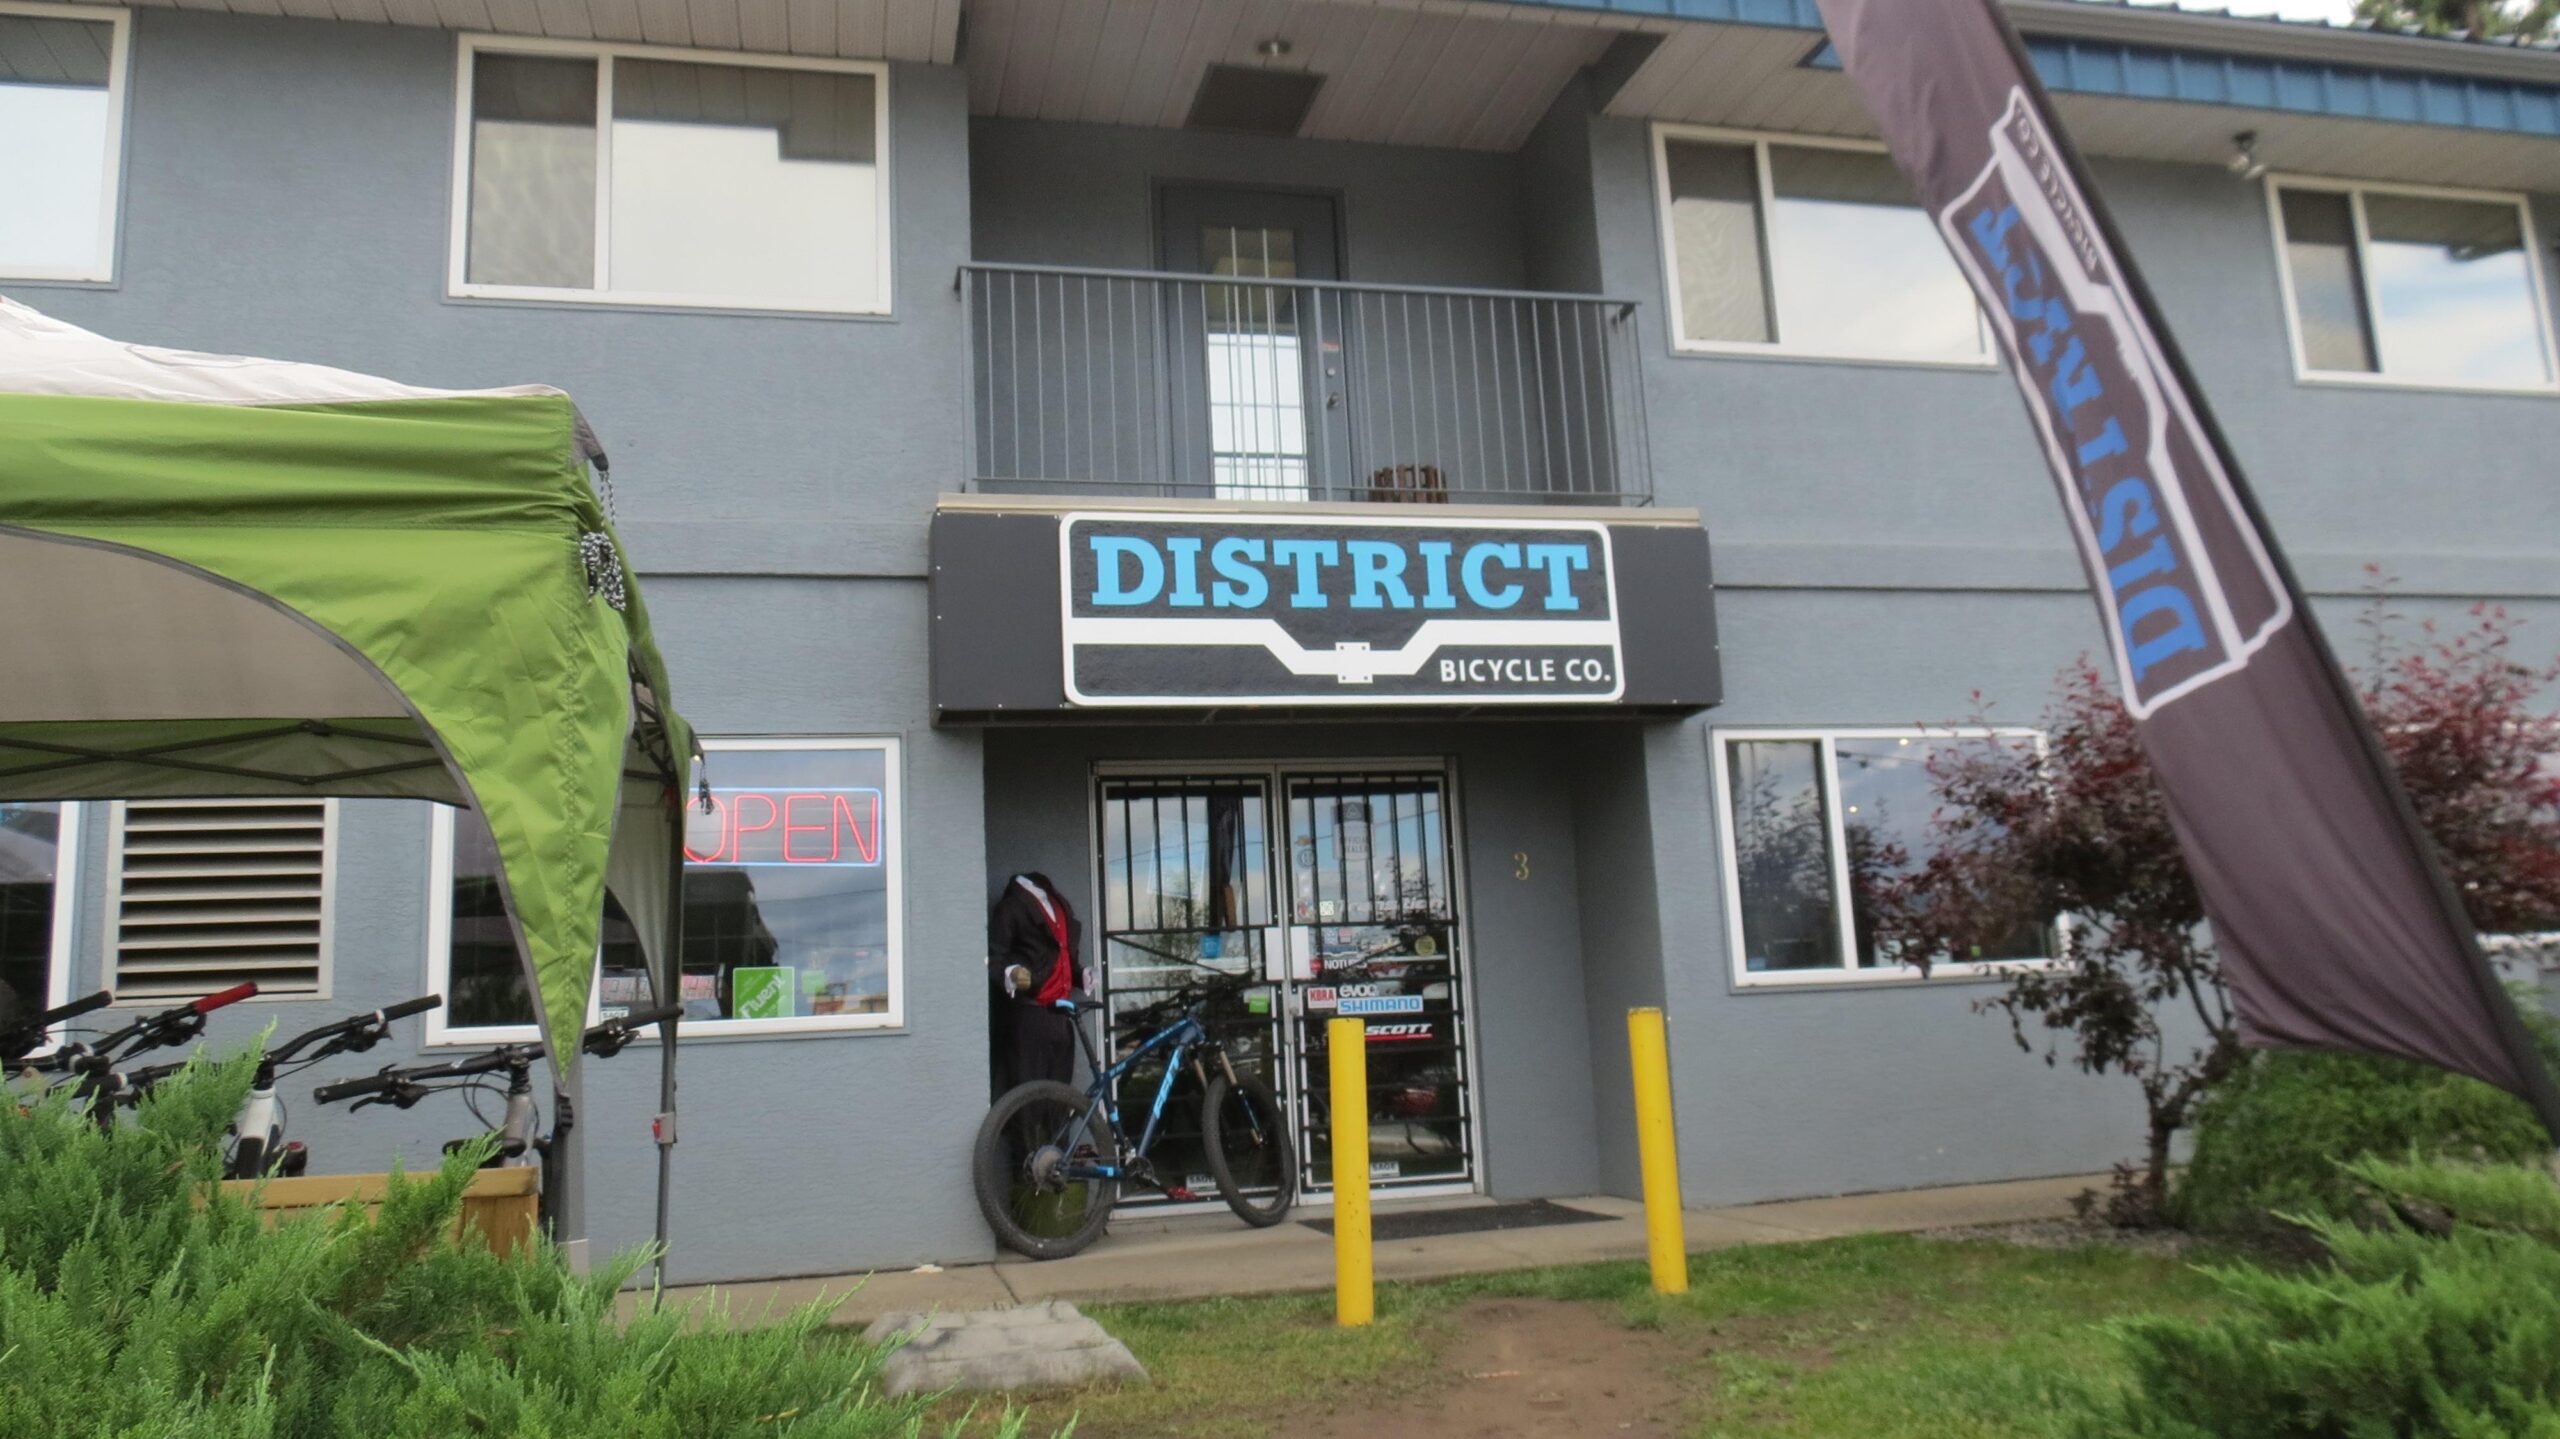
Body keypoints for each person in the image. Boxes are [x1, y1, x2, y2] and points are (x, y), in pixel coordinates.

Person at [987, 872, 1086, 1098]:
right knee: (1027, 1089)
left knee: (1060, 1091)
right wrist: (1012, 974)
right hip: (1029, 1012)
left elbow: (1064, 957)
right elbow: (995, 957)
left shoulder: (1059, 904)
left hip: (1062, 1015)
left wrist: (1082, 975)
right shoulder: (1011, 907)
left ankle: (1057, 1123)